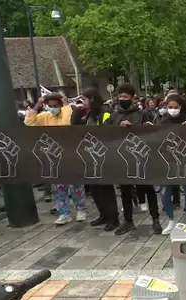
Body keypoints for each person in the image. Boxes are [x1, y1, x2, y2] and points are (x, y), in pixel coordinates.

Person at [25, 93, 87, 225]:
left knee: (76, 185)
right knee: (58, 188)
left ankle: (81, 209)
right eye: (50, 106)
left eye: (55, 105)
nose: (52, 108)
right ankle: (64, 213)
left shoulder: (67, 113)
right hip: (53, 156)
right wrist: (37, 105)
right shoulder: (45, 117)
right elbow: (29, 122)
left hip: (70, 155)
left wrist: (65, 105)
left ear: (60, 105)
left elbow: (66, 122)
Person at [108, 83, 162, 235]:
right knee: (125, 191)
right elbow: (106, 133)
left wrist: (136, 128)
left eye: (125, 96)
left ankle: (155, 219)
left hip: (141, 158)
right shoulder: (114, 115)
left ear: (132, 97)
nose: (122, 99)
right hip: (123, 158)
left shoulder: (143, 114)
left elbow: (151, 133)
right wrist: (118, 126)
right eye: (120, 96)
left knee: (147, 189)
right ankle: (128, 221)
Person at [71, 88, 120, 231]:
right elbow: (75, 127)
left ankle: (113, 218)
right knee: (94, 189)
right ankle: (103, 215)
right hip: (90, 157)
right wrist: (77, 112)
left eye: (84, 99)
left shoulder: (105, 113)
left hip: (103, 156)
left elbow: (106, 131)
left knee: (105, 189)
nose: (83, 102)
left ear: (92, 99)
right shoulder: (88, 116)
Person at [158, 94, 186, 234]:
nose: (173, 110)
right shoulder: (162, 121)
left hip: (185, 161)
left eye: (176, 107)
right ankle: (170, 220)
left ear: (181, 107)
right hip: (168, 161)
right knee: (164, 192)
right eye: (170, 107)